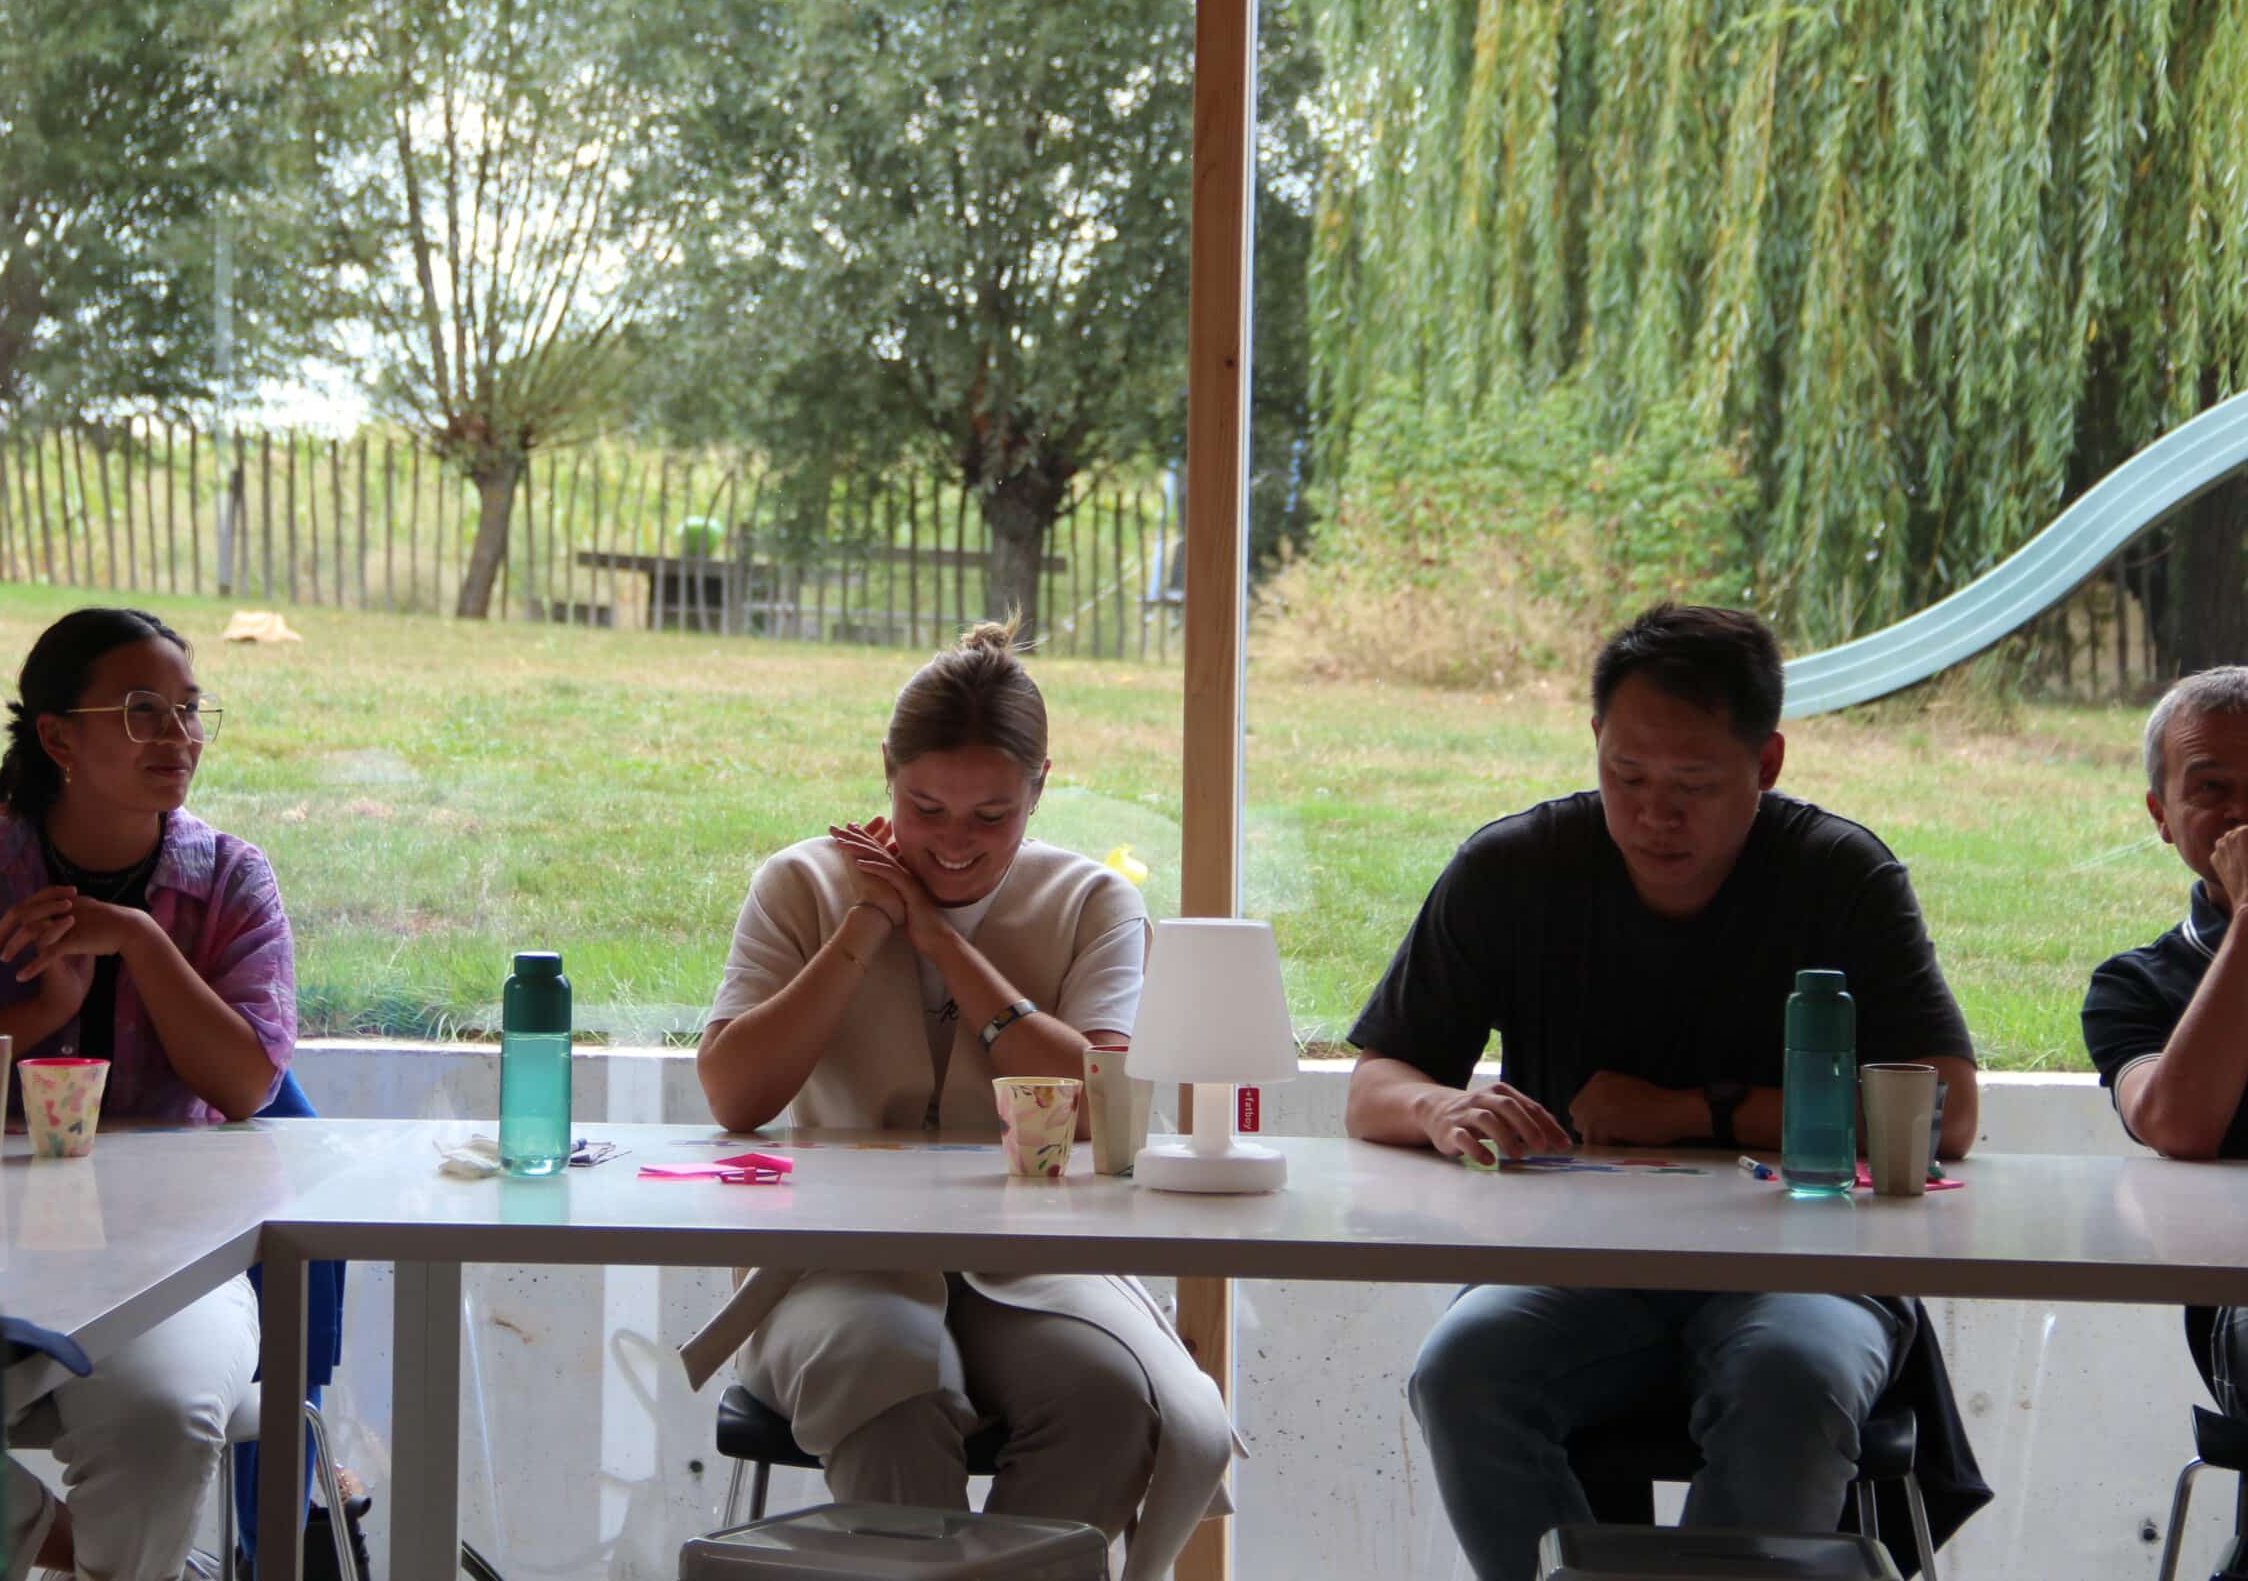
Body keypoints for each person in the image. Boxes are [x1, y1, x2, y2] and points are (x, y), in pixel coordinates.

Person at [1345, 603, 1982, 1581]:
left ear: (1767, 763)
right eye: (1626, 776)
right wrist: (1440, 1107)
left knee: (1791, 1377)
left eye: (1694, 784)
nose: (1654, 814)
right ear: (1594, 742)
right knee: (1463, 1371)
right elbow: (1376, 1084)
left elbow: (1947, 1109)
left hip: (1807, 1266)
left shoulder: (1838, 874)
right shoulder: (1515, 869)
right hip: (1571, 1263)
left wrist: (1691, 1112)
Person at [679, 619, 1233, 1581]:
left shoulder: (1094, 902)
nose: (953, 843)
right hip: (831, 1261)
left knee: (1110, 1399)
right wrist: (866, 921)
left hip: (1041, 1261)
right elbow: (734, 1093)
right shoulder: (801, 883)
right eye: (925, 807)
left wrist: (941, 941)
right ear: (886, 773)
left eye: (991, 815)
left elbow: (1100, 1105)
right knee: (888, 1374)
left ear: (1041, 787)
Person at [0, 606, 296, 1581]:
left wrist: (140, 939)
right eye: (142, 711)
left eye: (188, 710)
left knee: (163, 1416)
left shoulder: (230, 880)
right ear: (57, 738)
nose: (177, 737)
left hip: (170, 1253)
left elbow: (248, 1084)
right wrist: (39, 1009)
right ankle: (70, 1551)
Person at [2080, 666, 2248, 1406]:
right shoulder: (2135, 986)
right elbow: (2179, 1127)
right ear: (2161, 813)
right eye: (2212, 788)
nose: (2243, 811)